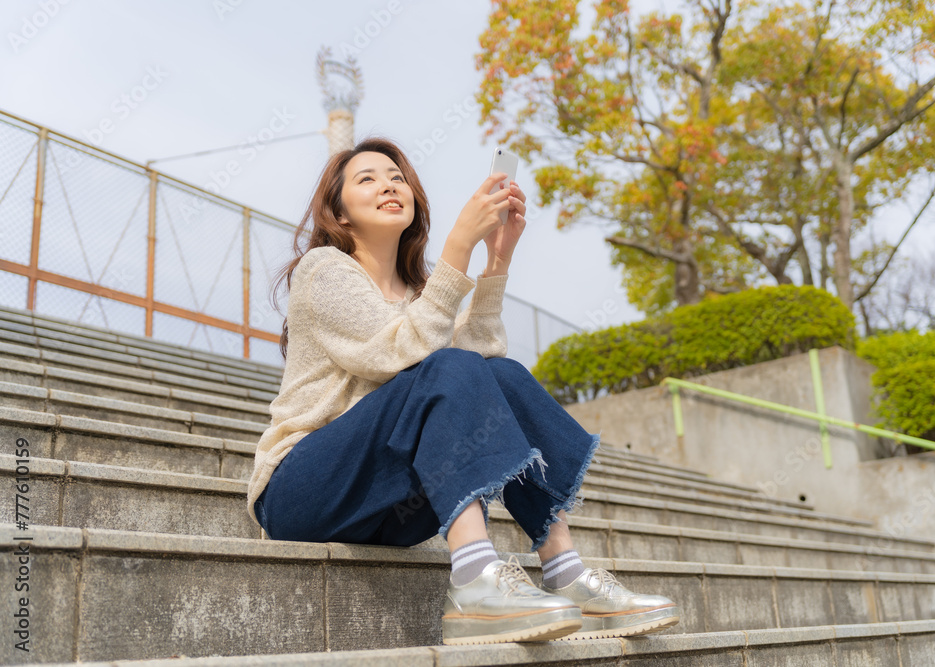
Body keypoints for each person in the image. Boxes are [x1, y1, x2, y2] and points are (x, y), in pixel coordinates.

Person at [246, 137, 679, 645]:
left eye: (397, 177)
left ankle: (563, 568)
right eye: (367, 179)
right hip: (305, 491)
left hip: (385, 509)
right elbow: (395, 354)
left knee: (503, 375)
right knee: (450, 366)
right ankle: (474, 580)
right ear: (339, 214)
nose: (389, 184)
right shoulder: (323, 270)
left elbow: (478, 359)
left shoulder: (416, 294)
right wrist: (457, 248)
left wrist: (495, 262)